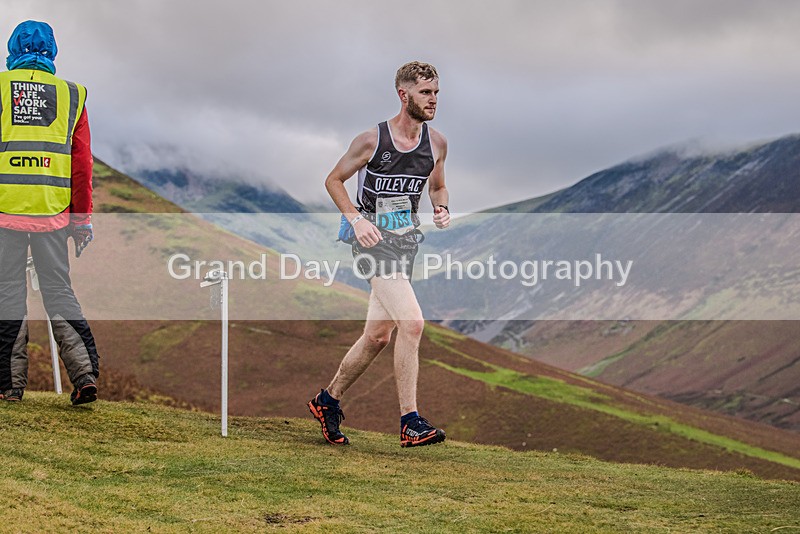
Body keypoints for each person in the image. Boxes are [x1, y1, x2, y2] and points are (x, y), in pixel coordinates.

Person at [309, 61, 450, 447]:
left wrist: (441, 207)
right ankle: (410, 421)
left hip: (405, 242)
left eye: (436, 91)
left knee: (377, 337)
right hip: (369, 242)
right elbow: (333, 180)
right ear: (404, 95)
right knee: (414, 323)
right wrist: (356, 221)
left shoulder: (436, 143)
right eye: (425, 92)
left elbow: (437, 186)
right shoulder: (372, 140)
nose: (433, 99)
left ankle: (327, 400)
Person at [0, 20, 100, 405]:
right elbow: (81, 165)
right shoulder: (72, 94)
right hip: (53, 214)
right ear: (52, 51)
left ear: (13, 47)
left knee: (8, 294)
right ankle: (85, 375)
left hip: (5, 212)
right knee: (60, 292)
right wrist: (81, 221)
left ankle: (11, 385)